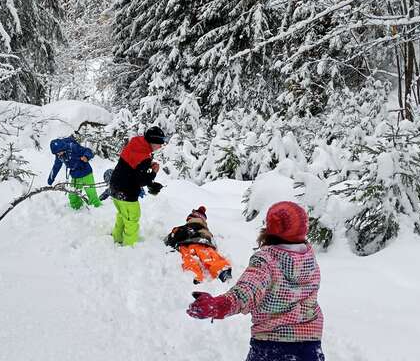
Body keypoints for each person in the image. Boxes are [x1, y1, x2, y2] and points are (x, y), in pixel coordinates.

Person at [187, 201, 324, 361]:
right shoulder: (309, 259)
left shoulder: (267, 260)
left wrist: (217, 305)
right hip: (311, 347)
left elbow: (246, 292)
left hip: (273, 348)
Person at [109, 126, 166, 246]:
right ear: (152, 141)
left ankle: (117, 238)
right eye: (158, 143)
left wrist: (148, 164)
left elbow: (132, 161)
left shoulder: (135, 142)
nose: (160, 146)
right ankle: (130, 246)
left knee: (122, 215)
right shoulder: (144, 157)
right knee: (132, 220)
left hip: (114, 187)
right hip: (126, 192)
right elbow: (141, 181)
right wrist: (154, 172)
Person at [164, 206, 232, 284]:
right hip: (204, 243)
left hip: (186, 245)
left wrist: (169, 240)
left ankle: (194, 275)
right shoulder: (205, 229)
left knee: (187, 258)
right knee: (208, 255)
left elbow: (172, 236)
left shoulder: (187, 227)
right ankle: (222, 270)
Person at [47, 136, 101, 209]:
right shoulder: (59, 155)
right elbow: (56, 167)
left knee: (91, 193)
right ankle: (76, 209)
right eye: (56, 153)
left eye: (59, 152)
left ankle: (97, 209)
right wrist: (50, 179)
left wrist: (86, 156)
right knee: (73, 195)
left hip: (86, 173)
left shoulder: (73, 147)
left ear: (62, 148)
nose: (58, 154)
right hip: (75, 175)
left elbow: (87, 151)